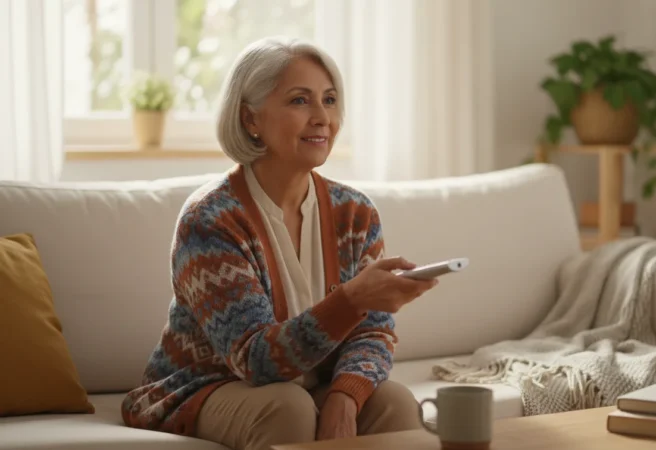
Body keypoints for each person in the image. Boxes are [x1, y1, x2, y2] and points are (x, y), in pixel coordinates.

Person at [121, 36, 438, 449]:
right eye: (299, 101)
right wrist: (352, 299)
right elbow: (255, 361)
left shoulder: (355, 213)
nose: (322, 117)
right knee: (287, 406)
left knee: (391, 400)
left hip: (311, 387)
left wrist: (344, 395)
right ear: (250, 119)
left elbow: (373, 335)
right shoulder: (210, 220)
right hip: (209, 386)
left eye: (328, 99)